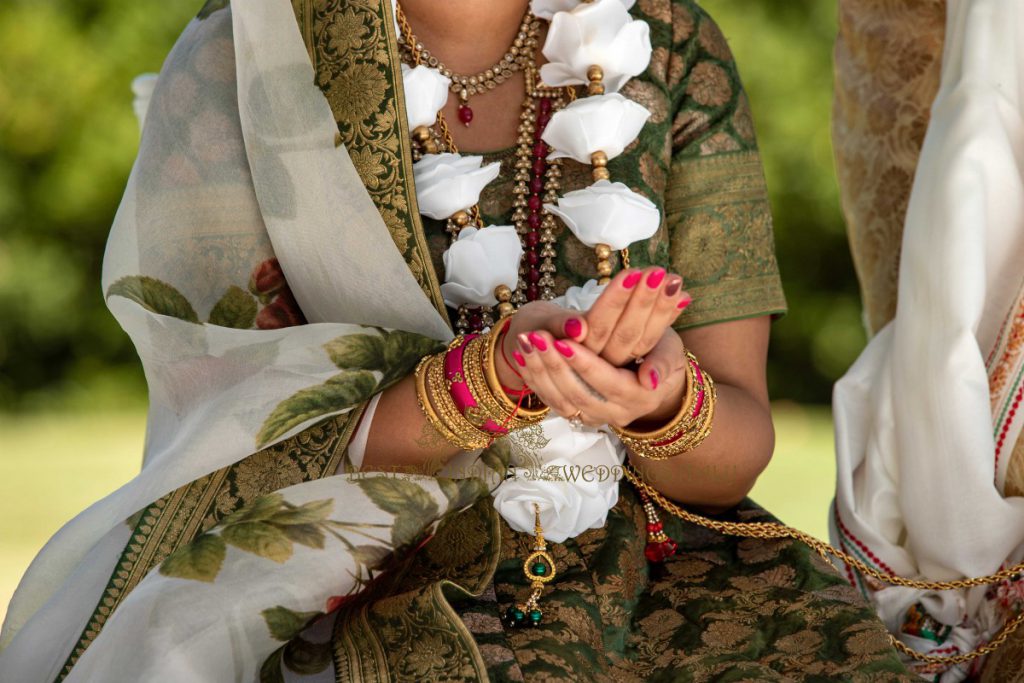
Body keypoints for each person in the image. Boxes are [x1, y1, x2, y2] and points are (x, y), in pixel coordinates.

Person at [0, 0, 909, 680]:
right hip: (362, 565)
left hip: (662, 565)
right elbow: (239, 440)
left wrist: (661, 402)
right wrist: (494, 379)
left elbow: (735, 451)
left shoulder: (673, 47)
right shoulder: (248, 54)